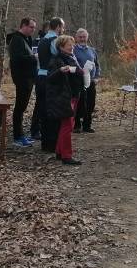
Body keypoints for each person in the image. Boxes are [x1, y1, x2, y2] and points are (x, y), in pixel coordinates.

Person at [46, 35, 84, 165]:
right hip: (64, 97)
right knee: (67, 126)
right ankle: (66, 156)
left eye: (72, 45)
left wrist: (83, 72)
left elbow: (77, 73)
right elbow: (50, 77)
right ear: (61, 46)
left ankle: (59, 151)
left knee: (66, 125)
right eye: (69, 45)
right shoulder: (56, 60)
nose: (72, 47)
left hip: (74, 95)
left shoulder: (70, 58)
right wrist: (60, 71)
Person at [7, 18, 38, 147]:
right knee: (20, 107)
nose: (33, 30)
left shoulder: (26, 39)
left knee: (22, 107)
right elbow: (16, 59)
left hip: (28, 77)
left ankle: (20, 135)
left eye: (34, 28)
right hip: (22, 78)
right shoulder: (16, 39)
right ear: (23, 26)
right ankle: (17, 137)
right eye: (31, 27)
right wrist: (33, 57)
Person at [36, 17, 65, 153]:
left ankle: (44, 142)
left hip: (40, 76)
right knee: (51, 110)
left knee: (42, 109)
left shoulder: (42, 40)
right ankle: (51, 143)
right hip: (50, 78)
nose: (63, 30)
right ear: (58, 27)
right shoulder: (54, 41)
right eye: (62, 27)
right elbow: (57, 56)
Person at [73, 28, 101, 133]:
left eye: (84, 37)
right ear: (76, 38)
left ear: (87, 37)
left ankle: (87, 125)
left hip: (91, 81)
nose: (82, 39)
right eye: (80, 37)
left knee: (90, 103)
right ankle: (76, 125)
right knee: (78, 103)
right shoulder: (73, 50)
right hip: (78, 81)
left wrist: (97, 77)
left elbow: (97, 65)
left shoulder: (92, 50)